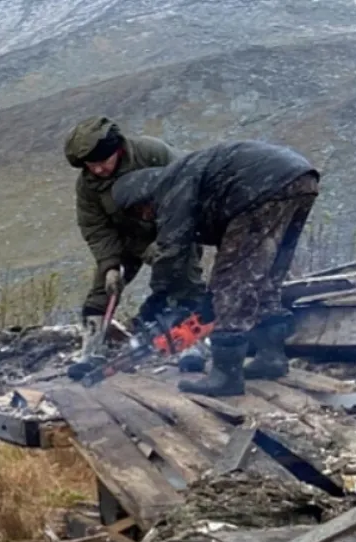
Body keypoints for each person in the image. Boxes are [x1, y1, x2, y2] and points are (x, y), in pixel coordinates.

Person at [112, 141, 321, 397]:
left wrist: (159, 298)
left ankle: (225, 376)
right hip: (300, 179)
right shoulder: (186, 178)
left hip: (264, 187)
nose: (145, 218)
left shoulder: (170, 189)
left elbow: (172, 250)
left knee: (230, 285)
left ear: (141, 200)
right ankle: (271, 357)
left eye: (141, 213)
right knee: (266, 277)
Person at [63, 117, 203, 338]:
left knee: (179, 279)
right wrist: (110, 265)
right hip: (128, 238)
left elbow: (189, 191)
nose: (98, 169)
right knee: (104, 291)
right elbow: (95, 227)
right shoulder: (87, 186)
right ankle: (94, 341)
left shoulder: (151, 153)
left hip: (173, 231)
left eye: (104, 161)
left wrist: (167, 240)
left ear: (117, 150)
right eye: (91, 165)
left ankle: (191, 332)